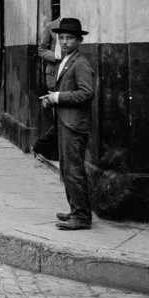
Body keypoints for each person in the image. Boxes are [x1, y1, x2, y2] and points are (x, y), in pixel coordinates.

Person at [39, 18, 95, 231]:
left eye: (69, 38)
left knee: (73, 170)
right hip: (64, 121)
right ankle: (75, 210)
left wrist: (58, 98)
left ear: (79, 40)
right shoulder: (66, 59)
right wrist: (51, 98)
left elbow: (87, 93)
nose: (64, 41)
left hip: (74, 124)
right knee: (67, 169)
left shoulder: (80, 63)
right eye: (61, 38)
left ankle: (81, 217)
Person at [33, 13, 62, 160]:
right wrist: (56, 56)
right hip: (54, 73)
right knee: (57, 114)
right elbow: (41, 49)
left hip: (67, 72)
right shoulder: (50, 27)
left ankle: (45, 147)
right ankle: (46, 148)